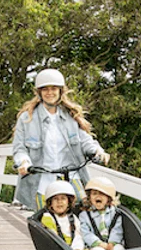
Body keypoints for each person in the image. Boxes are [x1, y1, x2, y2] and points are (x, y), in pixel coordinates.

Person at [12, 68, 110, 212]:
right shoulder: (27, 119)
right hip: (42, 178)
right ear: (39, 92)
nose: (49, 93)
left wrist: (96, 151)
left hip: (72, 175)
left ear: (60, 91)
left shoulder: (70, 116)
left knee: (87, 210)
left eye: (54, 89)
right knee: (46, 219)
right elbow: (19, 148)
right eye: (45, 89)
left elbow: (84, 140)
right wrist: (24, 162)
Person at [39, 180, 87, 250]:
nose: (59, 201)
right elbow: (52, 235)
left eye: (63, 198)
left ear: (68, 203)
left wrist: (76, 249)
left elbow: (78, 236)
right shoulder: (47, 218)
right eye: (55, 199)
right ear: (50, 203)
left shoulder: (73, 218)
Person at [79, 177, 124, 250]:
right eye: (94, 194)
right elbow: (85, 233)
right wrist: (100, 244)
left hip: (112, 243)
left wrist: (112, 243)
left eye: (102, 194)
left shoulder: (115, 213)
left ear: (108, 198)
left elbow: (117, 230)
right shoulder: (84, 215)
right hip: (95, 245)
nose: (98, 196)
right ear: (89, 197)